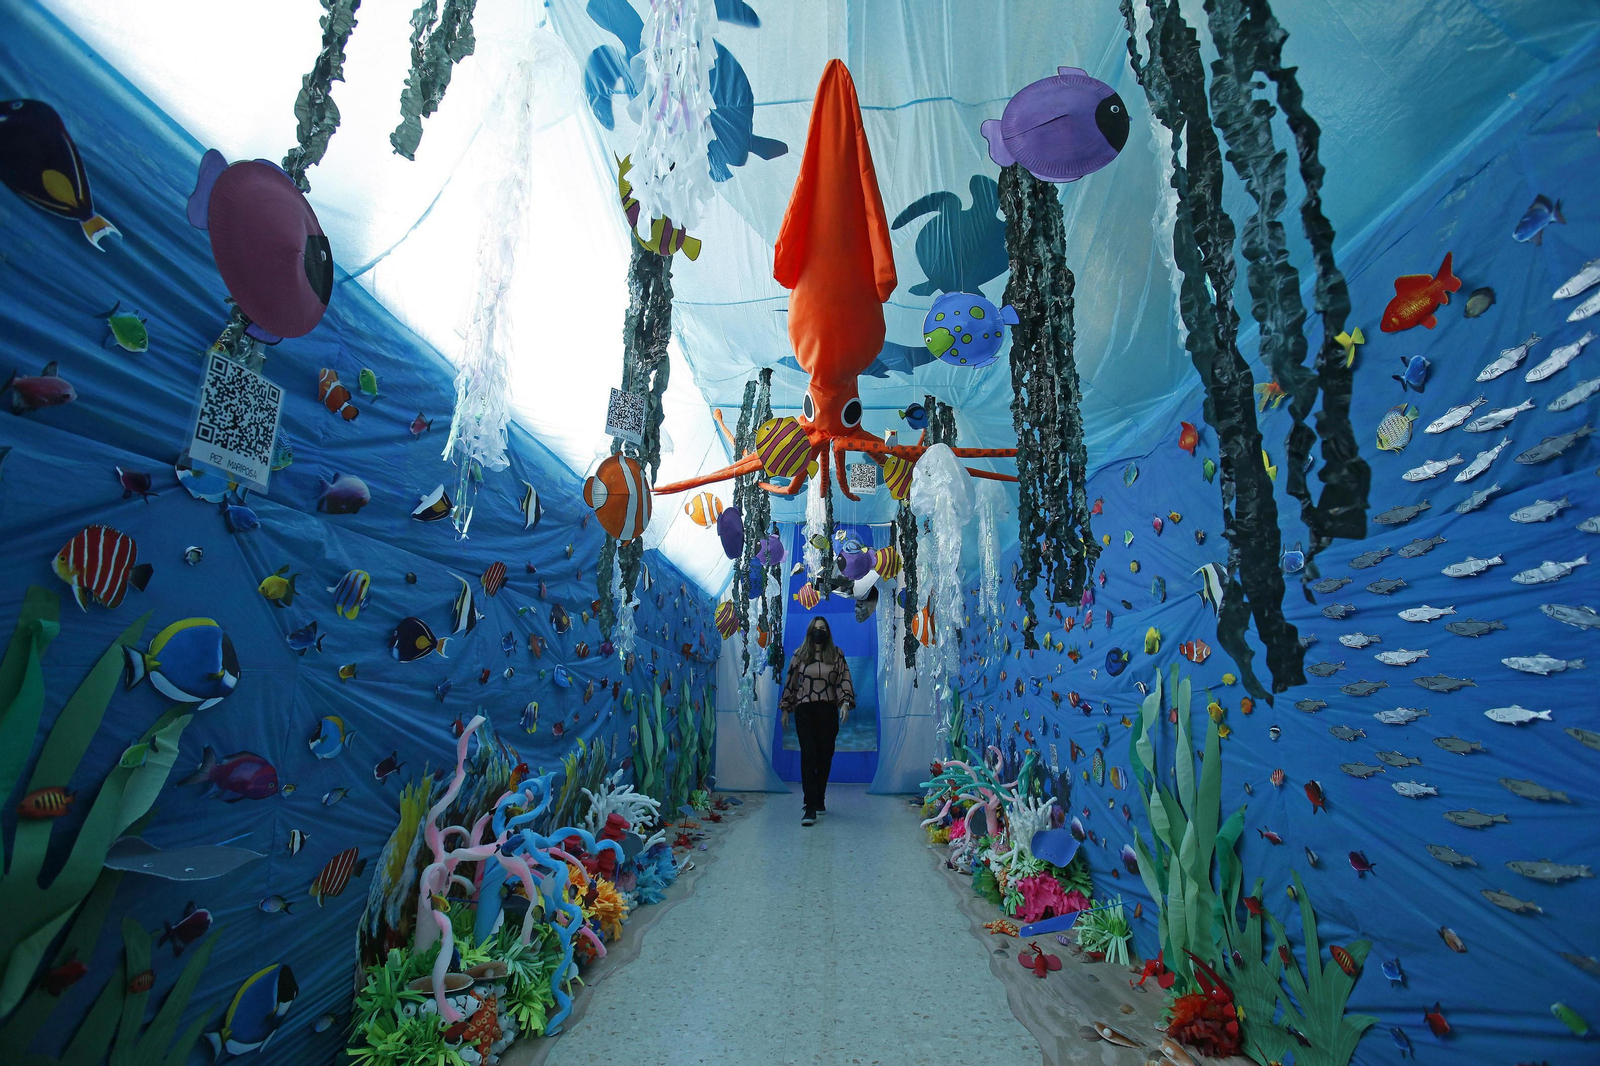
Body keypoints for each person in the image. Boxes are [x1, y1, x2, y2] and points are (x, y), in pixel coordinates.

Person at [779, 617, 855, 826]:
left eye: (822, 628)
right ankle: (809, 806)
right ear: (810, 631)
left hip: (828, 710)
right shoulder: (800, 654)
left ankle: (819, 797)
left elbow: (844, 679)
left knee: (825, 757)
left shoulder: (836, 654)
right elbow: (791, 682)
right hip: (805, 710)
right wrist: (786, 708)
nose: (819, 631)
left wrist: (845, 703)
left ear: (828, 632)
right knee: (809, 755)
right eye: (816, 628)